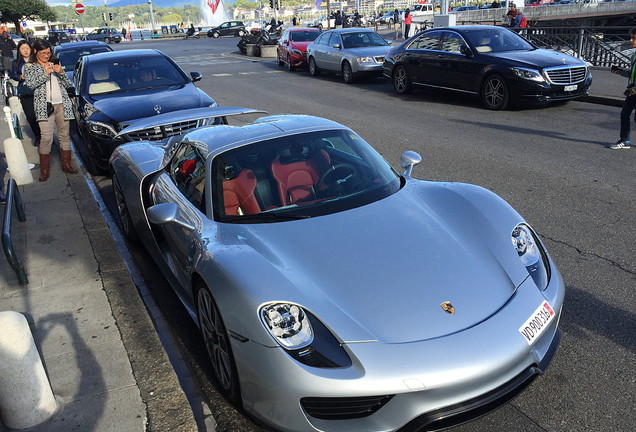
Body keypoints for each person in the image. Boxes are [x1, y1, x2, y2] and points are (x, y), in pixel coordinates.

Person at [24, 39, 77, 181]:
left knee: (64, 136)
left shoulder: (55, 63)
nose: (47, 56)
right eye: (43, 53)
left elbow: (68, 84)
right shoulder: (30, 67)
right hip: (44, 106)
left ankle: (67, 164)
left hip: (62, 103)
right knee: (46, 137)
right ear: (36, 52)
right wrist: (44, 74)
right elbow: (30, 85)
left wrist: (61, 72)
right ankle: (45, 170)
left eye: (48, 53)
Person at [10, 40, 40, 146]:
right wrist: (20, 77)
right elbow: (13, 75)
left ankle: (46, 136)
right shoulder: (16, 62)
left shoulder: (36, 60)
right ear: (19, 50)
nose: (25, 51)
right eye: (23, 48)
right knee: (31, 116)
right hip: (25, 92)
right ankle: (38, 136)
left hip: (38, 91)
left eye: (27, 48)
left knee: (41, 115)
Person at [610, 28, 636, 149]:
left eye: (634, 38)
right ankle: (625, 140)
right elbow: (632, 73)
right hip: (632, 90)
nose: (631, 40)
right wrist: (620, 71)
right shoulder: (634, 55)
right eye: (631, 37)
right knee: (624, 114)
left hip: (634, 90)